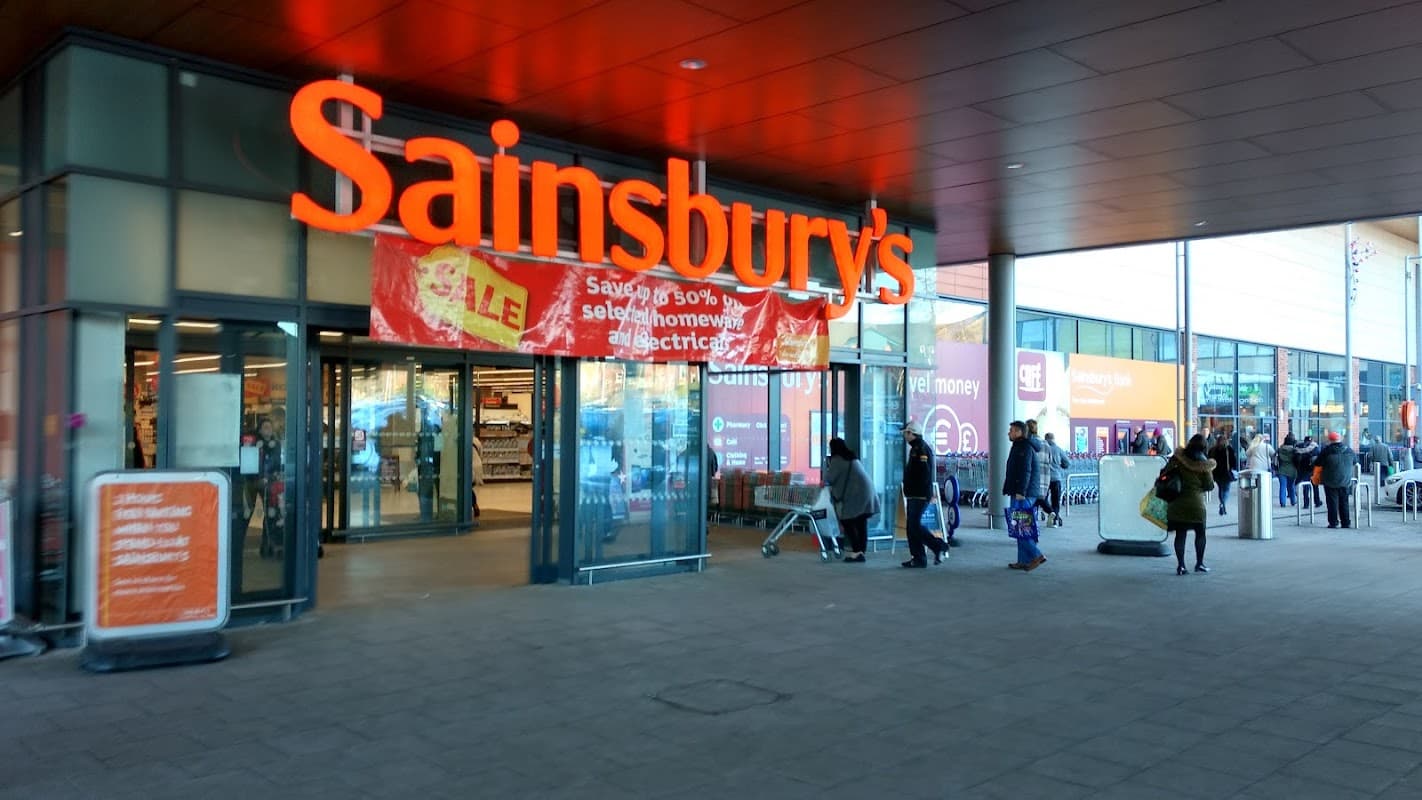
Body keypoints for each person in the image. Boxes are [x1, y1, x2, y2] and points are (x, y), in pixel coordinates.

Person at [1165, 434, 1217, 575]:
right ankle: (1199, 563)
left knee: (1180, 534)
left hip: (1176, 502)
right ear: (1203, 447)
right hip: (1195, 505)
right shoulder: (1204, 464)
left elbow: (1165, 474)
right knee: (1200, 534)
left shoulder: (1176, 459)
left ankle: (1181, 566)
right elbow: (1209, 485)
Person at [825, 438, 880, 563]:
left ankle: (857, 551)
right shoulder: (851, 457)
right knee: (861, 521)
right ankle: (860, 551)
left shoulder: (837, 459)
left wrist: (824, 481)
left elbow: (830, 477)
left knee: (847, 520)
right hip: (867, 491)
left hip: (856, 494)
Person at [901, 421, 946, 568]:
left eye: (906, 433)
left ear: (912, 433)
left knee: (914, 526)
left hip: (918, 494)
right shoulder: (917, 448)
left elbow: (923, 473)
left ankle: (937, 546)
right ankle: (919, 557)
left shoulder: (919, 449)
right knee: (911, 527)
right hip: (916, 493)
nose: (904, 436)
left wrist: (918, 489)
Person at [1004, 420, 1045, 571]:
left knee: (1021, 526)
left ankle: (1036, 555)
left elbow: (1025, 471)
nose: (1009, 433)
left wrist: (1021, 492)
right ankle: (1023, 560)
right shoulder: (1020, 446)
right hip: (1022, 492)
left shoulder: (1024, 448)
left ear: (1020, 432)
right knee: (1019, 527)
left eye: (1012, 430)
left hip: (1024, 493)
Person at [1316, 430, 1357, 529]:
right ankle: (1346, 522)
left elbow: (1318, 463)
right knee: (1344, 502)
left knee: (1332, 502)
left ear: (1329, 440)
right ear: (1340, 439)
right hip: (1345, 480)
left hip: (1330, 480)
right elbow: (1355, 461)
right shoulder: (1349, 450)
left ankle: (1333, 522)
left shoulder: (1326, 451)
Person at [1042, 431, 1069, 528]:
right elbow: (1066, 463)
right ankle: (1055, 518)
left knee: (1042, 499)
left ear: (1045, 439)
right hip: (1056, 478)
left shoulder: (1042, 449)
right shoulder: (1058, 449)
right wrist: (1059, 465)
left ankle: (1050, 512)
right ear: (1053, 439)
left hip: (1044, 478)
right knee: (1055, 500)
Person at [1209, 433, 1238, 516]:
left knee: (1221, 489)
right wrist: (1233, 468)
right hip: (1226, 473)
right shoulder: (1229, 449)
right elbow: (1233, 461)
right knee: (1226, 489)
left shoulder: (1213, 450)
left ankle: (1222, 503)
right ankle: (1222, 503)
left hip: (1216, 473)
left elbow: (1209, 460)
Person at [1295, 435, 1323, 509]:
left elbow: (1295, 459)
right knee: (1315, 487)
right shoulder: (1316, 448)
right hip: (1313, 470)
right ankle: (1317, 502)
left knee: (1306, 487)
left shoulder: (1299, 448)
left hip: (1303, 470)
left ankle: (1306, 504)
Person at [1276, 433, 1299, 508]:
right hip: (1292, 471)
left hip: (1282, 470)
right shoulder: (1294, 451)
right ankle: (1293, 501)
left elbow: (1276, 459)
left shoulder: (1280, 450)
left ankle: (1282, 502)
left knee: (1282, 487)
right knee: (1291, 486)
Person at [470, 436, 485, 522]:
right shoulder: (476, 440)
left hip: (469, 464)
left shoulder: (460, 438)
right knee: (469, 487)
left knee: (467, 488)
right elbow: (481, 453)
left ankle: (474, 505)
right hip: (478, 464)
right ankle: (474, 505)